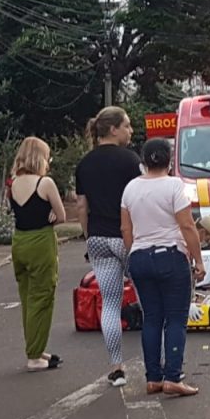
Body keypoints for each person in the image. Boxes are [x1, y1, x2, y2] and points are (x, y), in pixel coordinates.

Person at [121, 138, 206, 397]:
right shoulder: (173, 186)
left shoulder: (130, 188)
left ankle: (153, 378)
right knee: (176, 319)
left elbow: (126, 228)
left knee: (152, 318)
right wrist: (198, 259)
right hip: (170, 256)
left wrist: (134, 251)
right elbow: (187, 225)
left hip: (140, 257)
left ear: (144, 162)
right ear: (169, 160)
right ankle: (173, 377)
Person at [75, 106, 141, 388]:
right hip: (128, 238)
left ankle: (116, 367)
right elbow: (140, 198)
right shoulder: (130, 161)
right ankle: (159, 364)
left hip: (99, 239)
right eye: (126, 125)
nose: (130, 131)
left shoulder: (84, 164)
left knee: (111, 304)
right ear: (113, 129)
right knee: (148, 300)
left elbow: (81, 206)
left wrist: (88, 236)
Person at [9, 136, 67, 371]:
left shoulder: (13, 182)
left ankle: (36, 348)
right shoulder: (45, 183)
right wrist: (52, 216)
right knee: (43, 297)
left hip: (19, 241)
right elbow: (61, 216)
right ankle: (34, 356)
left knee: (27, 298)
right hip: (41, 241)